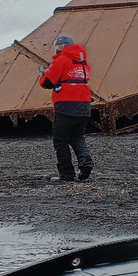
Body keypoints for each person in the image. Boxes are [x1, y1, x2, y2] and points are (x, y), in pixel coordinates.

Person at [38, 34, 94, 183]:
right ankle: (85, 160)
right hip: (84, 105)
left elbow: (47, 82)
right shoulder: (83, 62)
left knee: (60, 140)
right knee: (77, 136)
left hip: (65, 106)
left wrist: (43, 74)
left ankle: (67, 173)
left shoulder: (61, 60)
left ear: (59, 48)